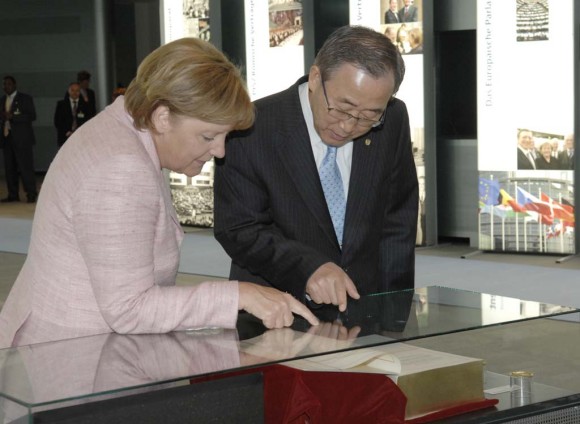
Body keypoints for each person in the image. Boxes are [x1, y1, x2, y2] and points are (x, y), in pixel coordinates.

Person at [0, 37, 318, 349]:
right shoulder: (122, 167)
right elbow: (129, 309)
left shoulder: (122, 131)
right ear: (162, 116)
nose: (219, 151)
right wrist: (240, 295)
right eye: (208, 136)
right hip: (73, 360)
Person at [214, 26, 418, 313]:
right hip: (278, 312)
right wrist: (308, 268)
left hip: (366, 311)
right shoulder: (251, 127)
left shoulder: (393, 119)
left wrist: (393, 309)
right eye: (341, 108)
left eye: (369, 116)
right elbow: (239, 229)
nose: (348, 126)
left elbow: (398, 220)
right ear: (315, 78)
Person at [0, 75, 38, 203]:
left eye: (9, 84)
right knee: (9, 168)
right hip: (7, 138)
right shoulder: (2, 99)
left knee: (25, 167)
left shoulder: (25, 98)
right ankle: (13, 194)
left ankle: (31, 193)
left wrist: (13, 117)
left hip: (23, 140)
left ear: (15, 85)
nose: (6, 86)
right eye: (4, 84)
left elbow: (32, 116)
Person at [54, 82, 91, 147]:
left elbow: (88, 121)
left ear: (80, 92)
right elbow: (57, 122)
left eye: (77, 91)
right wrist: (68, 132)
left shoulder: (85, 105)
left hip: (81, 138)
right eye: (72, 90)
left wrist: (77, 133)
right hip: (65, 138)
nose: (75, 93)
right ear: (69, 91)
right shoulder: (61, 105)